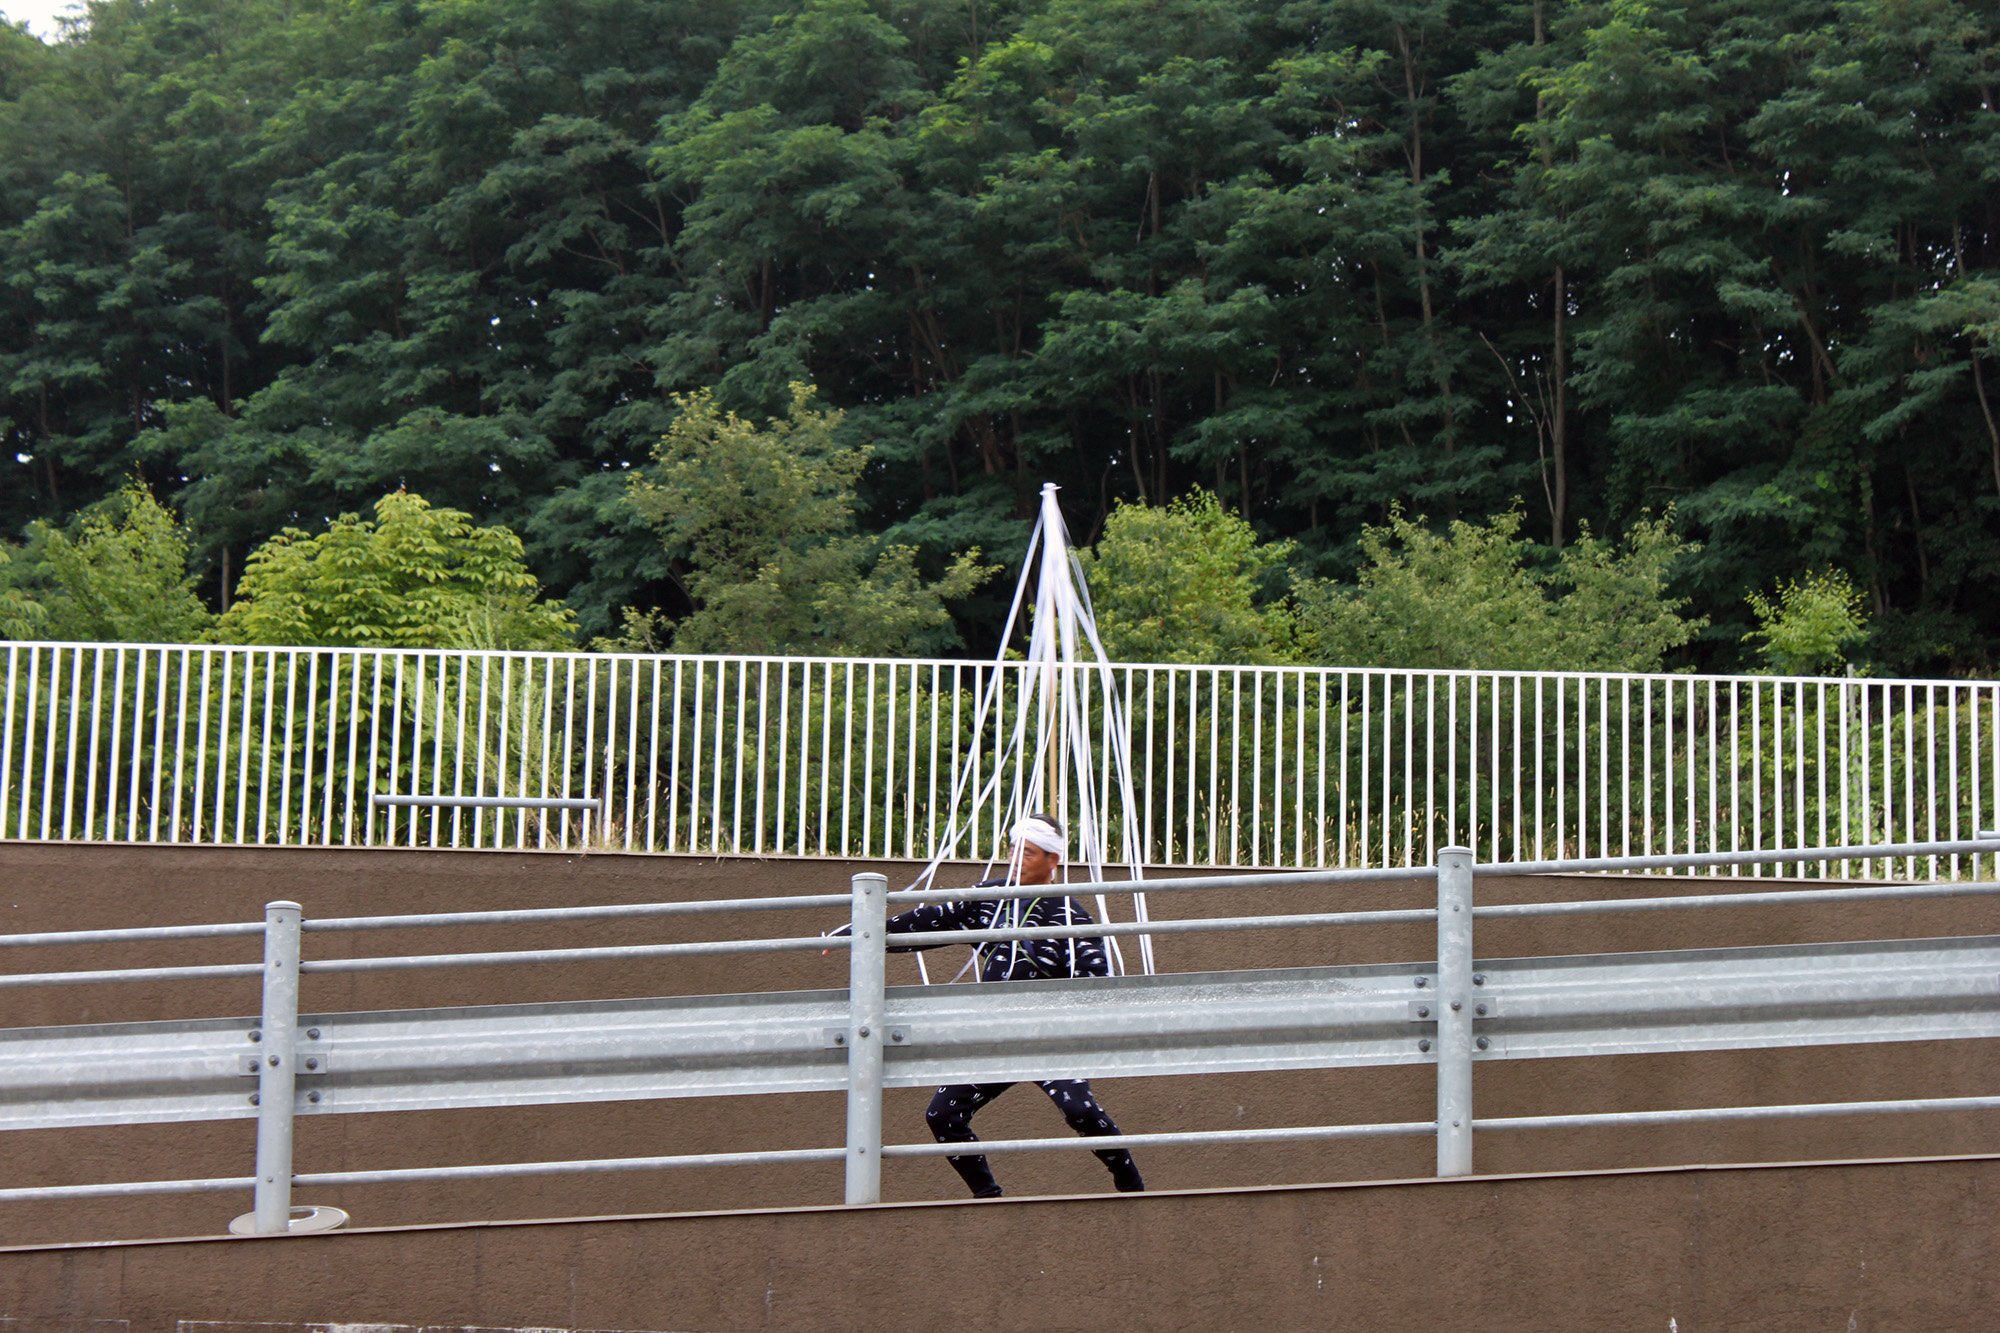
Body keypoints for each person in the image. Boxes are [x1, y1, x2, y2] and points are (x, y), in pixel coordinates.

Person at [828, 812, 1145, 1199]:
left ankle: (1131, 1186)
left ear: (1052, 861)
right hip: (997, 1035)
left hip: (1049, 1037)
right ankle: (988, 1198)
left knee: (1079, 1111)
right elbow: (927, 922)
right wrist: (862, 930)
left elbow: (1101, 981)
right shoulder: (989, 897)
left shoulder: (1070, 915)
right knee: (943, 1116)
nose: (1015, 859)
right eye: (1013, 849)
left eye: (1027, 853)